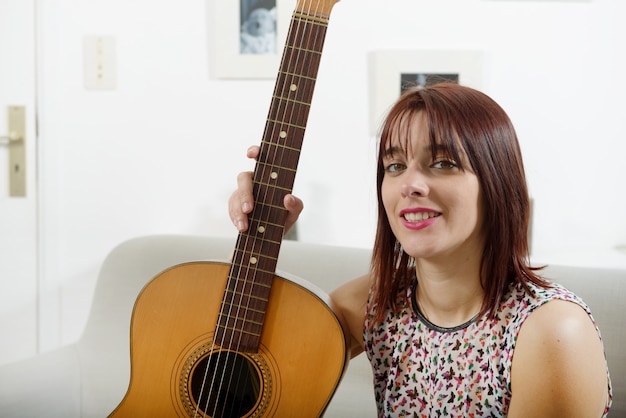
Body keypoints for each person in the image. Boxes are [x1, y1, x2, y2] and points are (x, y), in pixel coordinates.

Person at [228, 83, 612, 417]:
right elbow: (245, 368)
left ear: (497, 184)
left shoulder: (552, 331)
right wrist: (258, 235)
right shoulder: (379, 301)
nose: (410, 184)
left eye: (443, 163)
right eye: (394, 166)